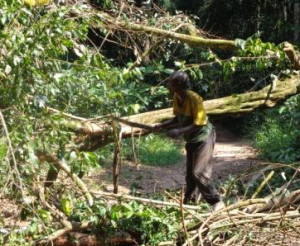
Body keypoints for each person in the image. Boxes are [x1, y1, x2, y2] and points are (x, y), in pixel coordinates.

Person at [153, 71, 224, 211]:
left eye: (170, 82)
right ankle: (189, 203)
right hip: (191, 138)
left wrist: (179, 131)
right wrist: (161, 125)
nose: (168, 85)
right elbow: (177, 119)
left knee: (199, 172)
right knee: (190, 175)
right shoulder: (177, 97)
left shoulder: (194, 98)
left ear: (178, 85)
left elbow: (199, 123)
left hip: (203, 137)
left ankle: (216, 201)